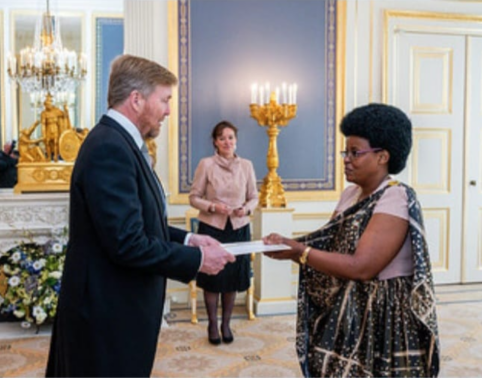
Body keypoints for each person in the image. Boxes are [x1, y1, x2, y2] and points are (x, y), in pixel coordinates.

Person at [45, 54, 236, 377]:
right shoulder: (110, 148)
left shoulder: (121, 144)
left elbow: (140, 224)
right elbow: (127, 243)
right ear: (136, 99)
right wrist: (197, 261)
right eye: (164, 99)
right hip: (107, 315)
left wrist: (189, 239)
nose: (168, 110)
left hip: (116, 309)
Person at [262, 103, 440, 377]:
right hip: (347, 307)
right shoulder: (349, 195)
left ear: (383, 157)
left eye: (355, 152)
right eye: (347, 151)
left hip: (383, 315)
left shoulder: (396, 196)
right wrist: (289, 246)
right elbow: (329, 245)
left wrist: (300, 251)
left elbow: (362, 266)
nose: (346, 159)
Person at [189, 120, 258, 345]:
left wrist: (245, 209)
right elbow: (194, 197)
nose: (227, 142)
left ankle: (226, 323)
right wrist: (213, 207)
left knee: (231, 279)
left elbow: (254, 197)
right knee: (212, 278)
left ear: (236, 141)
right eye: (222, 138)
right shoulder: (206, 164)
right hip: (212, 228)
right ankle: (212, 323)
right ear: (215, 142)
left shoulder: (246, 165)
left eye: (230, 137)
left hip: (238, 228)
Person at [40, 93, 72, 162]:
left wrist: (66, 109)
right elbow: (43, 124)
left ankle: (55, 157)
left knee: (56, 142)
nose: (48, 106)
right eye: (46, 105)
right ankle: (48, 156)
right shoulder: (44, 113)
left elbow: (64, 115)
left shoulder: (56, 110)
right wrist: (43, 134)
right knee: (48, 142)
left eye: (49, 104)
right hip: (48, 128)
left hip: (55, 128)